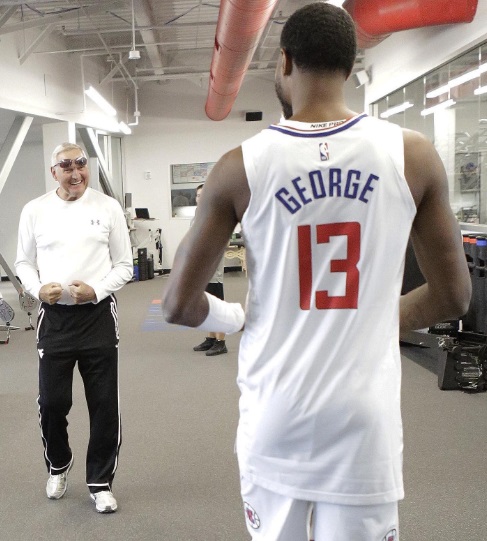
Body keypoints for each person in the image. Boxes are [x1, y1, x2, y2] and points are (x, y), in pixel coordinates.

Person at [162, 3, 471, 539]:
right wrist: (373, 317)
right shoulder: (413, 155)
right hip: (362, 425)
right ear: (351, 66)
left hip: (276, 418)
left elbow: (178, 305)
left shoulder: (240, 165)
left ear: (284, 62)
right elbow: (453, 297)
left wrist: (239, 316)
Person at [15, 142, 133, 514]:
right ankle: (58, 465)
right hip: (55, 319)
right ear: (54, 172)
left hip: (98, 316)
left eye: (81, 164)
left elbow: (125, 265)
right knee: (53, 402)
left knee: (103, 404)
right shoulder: (35, 210)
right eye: (66, 166)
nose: (75, 172)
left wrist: (96, 289)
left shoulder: (107, 207)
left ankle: (100, 482)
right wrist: (37, 289)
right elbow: (23, 262)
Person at [191, 183, 228, 356]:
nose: (200, 198)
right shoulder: (197, 216)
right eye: (198, 195)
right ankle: (211, 338)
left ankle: (221, 341)